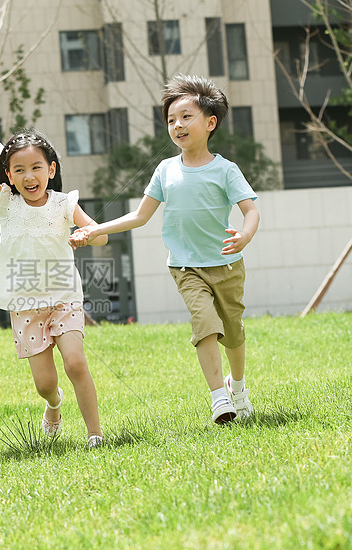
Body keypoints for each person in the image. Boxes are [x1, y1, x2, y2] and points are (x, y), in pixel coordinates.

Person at [69, 74, 260, 424]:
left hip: (227, 264)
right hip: (186, 267)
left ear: (210, 122)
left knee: (232, 331)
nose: (177, 125)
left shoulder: (225, 170)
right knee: (205, 323)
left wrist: (245, 236)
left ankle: (239, 386)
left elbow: (251, 209)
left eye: (186, 117)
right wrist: (94, 228)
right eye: (171, 120)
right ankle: (220, 398)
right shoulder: (165, 170)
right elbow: (140, 216)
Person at [0, 103, 108, 447]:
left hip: (64, 297)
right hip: (26, 304)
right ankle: (54, 406)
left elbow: (100, 232)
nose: (29, 176)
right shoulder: (5, 202)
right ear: (9, 175)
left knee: (75, 362)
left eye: (36, 167)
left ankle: (95, 434)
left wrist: (86, 234)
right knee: (45, 383)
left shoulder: (63, 203)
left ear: (51, 169)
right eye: (20, 170)